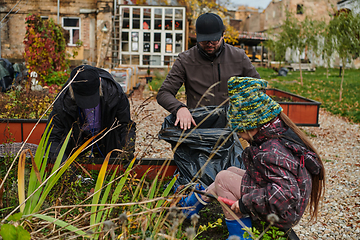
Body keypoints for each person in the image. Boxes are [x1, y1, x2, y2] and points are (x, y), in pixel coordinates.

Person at [181, 77, 326, 239]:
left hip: (282, 213)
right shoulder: (274, 131)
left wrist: (245, 204)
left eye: (238, 128)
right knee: (231, 170)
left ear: (251, 124)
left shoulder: (271, 151)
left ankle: (241, 235)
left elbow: (285, 196)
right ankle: (191, 205)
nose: (236, 133)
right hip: (284, 203)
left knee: (223, 179)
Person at [157, 13, 260, 130]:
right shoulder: (185, 60)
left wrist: (243, 107)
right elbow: (164, 93)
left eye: (214, 40)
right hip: (199, 127)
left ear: (222, 35)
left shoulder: (238, 57)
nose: (209, 44)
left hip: (233, 126)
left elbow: (258, 87)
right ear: (197, 36)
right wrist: (179, 108)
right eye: (204, 41)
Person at [47, 65, 136, 163]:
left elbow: (125, 125)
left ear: (100, 83)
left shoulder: (114, 93)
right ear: (71, 88)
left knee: (112, 166)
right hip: (75, 137)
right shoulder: (63, 101)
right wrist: (63, 165)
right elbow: (52, 137)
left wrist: (128, 151)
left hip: (106, 134)